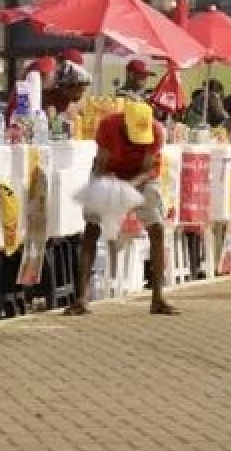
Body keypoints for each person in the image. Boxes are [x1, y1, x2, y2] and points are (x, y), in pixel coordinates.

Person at [67, 100, 176, 316]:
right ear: (124, 124)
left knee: (157, 229)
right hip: (108, 174)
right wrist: (110, 190)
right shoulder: (108, 126)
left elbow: (147, 170)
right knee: (91, 228)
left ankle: (158, 298)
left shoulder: (156, 131)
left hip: (140, 179)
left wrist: (127, 188)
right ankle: (82, 298)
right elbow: (101, 164)